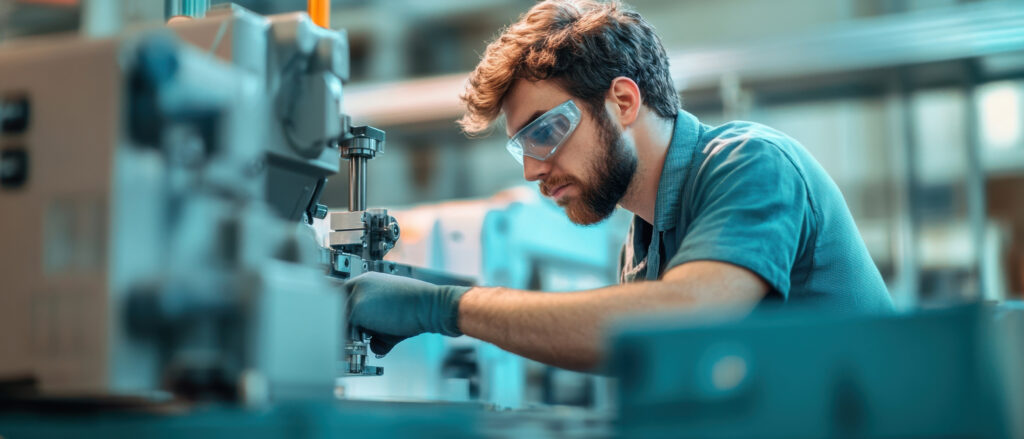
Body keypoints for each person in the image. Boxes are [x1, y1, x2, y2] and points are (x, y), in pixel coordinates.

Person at [345, 0, 892, 371]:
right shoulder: (642, 241)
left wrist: (447, 307)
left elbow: (682, 319)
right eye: (523, 147)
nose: (533, 170)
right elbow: (630, 355)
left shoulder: (751, 163)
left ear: (623, 102)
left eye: (546, 131)